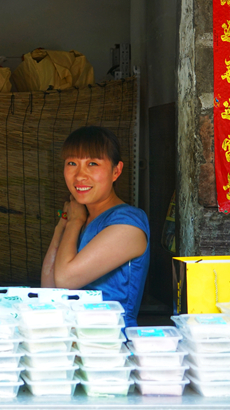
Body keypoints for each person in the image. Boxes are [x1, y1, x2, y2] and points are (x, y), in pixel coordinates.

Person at [40, 126, 150, 327]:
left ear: (116, 171)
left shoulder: (128, 223)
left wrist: (73, 222)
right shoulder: (81, 216)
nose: (80, 175)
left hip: (111, 343)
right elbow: (50, 290)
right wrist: (62, 226)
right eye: (72, 163)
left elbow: (66, 280)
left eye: (92, 163)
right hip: (76, 341)